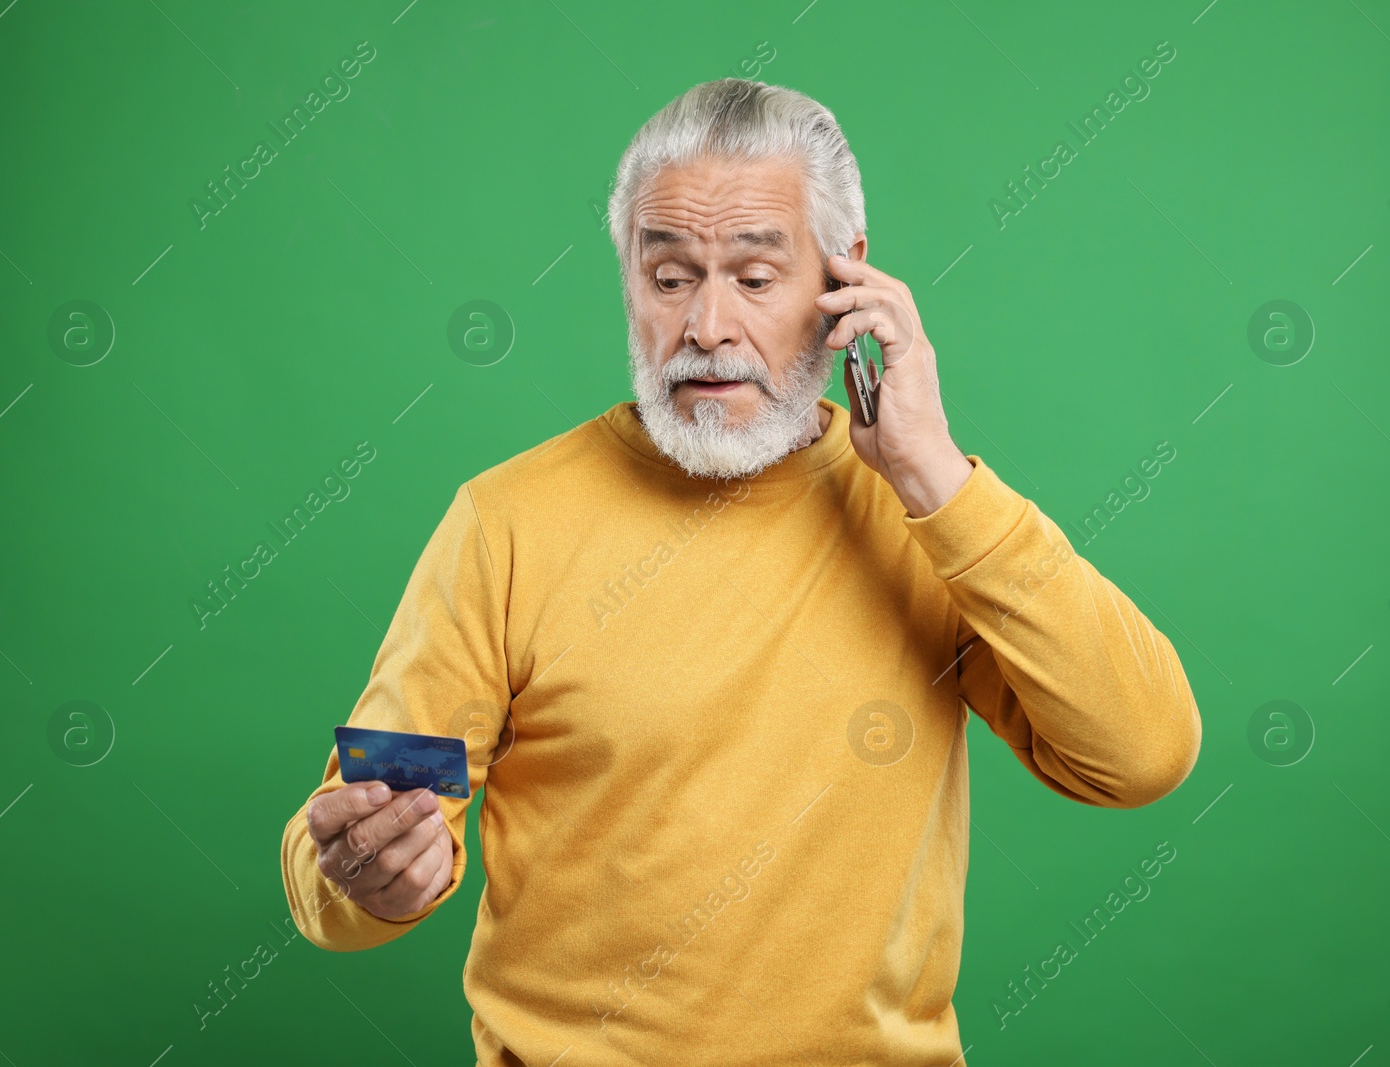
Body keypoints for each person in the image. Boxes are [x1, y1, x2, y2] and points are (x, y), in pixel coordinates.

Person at [280, 77, 1201, 1066]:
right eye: (668, 275)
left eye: (755, 278)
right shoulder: (506, 525)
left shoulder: (928, 516)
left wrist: (936, 473)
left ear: (844, 280)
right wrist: (368, 872)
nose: (707, 325)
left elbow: (1141, 755)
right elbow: (356, 835)